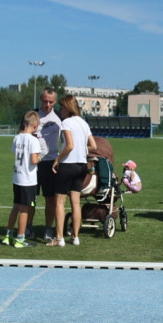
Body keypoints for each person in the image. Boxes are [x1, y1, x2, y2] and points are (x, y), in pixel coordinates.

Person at [51, 94, 98, 247]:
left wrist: (57, 160)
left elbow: (69, 145)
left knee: (59, 202)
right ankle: (76, 237)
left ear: (67, 107)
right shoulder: (84, 123)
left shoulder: (66, 123)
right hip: (81, 166)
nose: (60, 110)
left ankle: (59, 238)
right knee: (75, 203)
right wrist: (81, 147)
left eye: (61, 107)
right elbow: (93, 146)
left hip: (68, 165)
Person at [3, 111, 41, 248]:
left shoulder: (17, 138)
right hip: (28, 179)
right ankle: (20, 239)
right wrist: (40, 157)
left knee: (15, 207)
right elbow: (34, 160)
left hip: (17, 177)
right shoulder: (34, 140)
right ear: (35, 126)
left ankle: (8, 235)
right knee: (24, 209)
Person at [35, 88, 59, 240]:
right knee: (30, 199)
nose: (47, 105)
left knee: (50, 199)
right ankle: (28, 228)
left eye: (51, 102)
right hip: (34, 162)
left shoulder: (60, 118)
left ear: (55, 102)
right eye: (45, 101)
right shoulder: (31, 115)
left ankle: (48, 229)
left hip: (51, 163)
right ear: (40, 100)